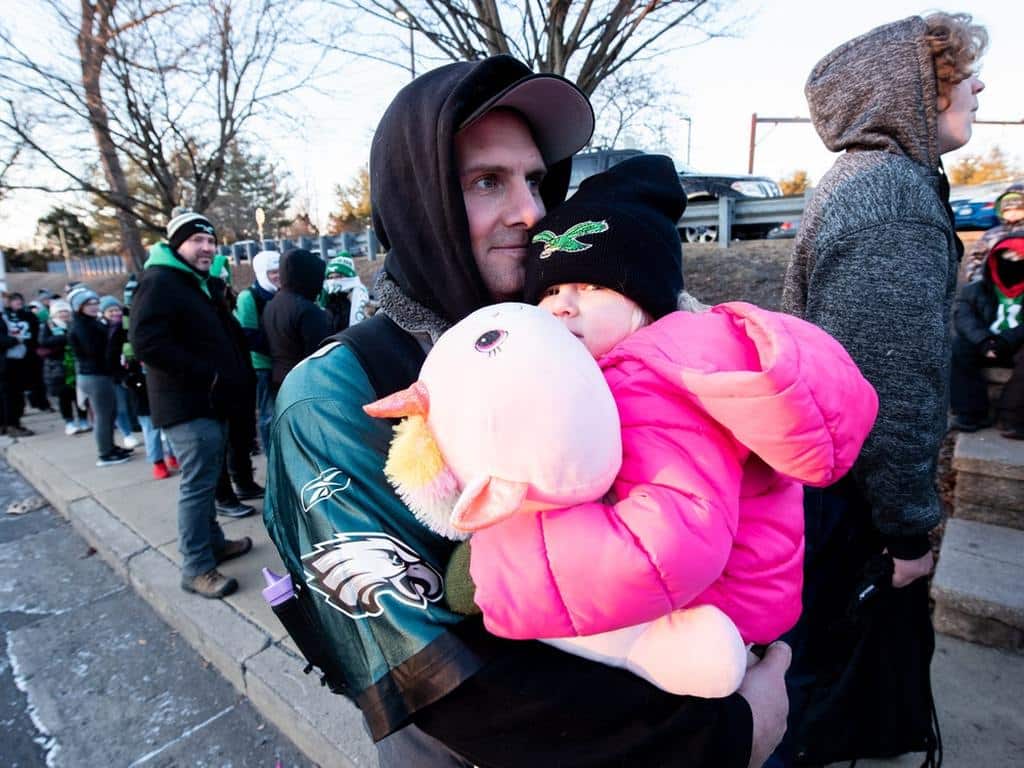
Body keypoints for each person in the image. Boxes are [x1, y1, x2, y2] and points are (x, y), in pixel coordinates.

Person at [264, 55, 789, 768]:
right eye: (487, 182)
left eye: (536, 179)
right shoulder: (333, 396)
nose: (533, 212)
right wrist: (726, 740)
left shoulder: (582, 332)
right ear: (417, 202)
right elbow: (441, 680)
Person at [414, 155, 876, 697]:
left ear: (647, 301)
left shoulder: (652, 384)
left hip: (712, 604)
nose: (561, 308)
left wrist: (498, 568)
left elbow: (671, 539)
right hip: (689, 590)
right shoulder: (632, 368)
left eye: (589, 288)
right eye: (547, 293)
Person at [778, 12, 988, 765]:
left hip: (831, 497)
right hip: (853, 512)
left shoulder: (867, 184)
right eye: (961, 75)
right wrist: (907, 534)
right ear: (912, 91)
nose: (979, 86)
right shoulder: (891, 201)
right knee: (829, 699)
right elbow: (891, 396)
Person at [131, 210, 255, 599]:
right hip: (186, 407)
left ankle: (214, 543)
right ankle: (197, 567)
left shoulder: (195, 284)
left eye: (211, 241)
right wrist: (208, 374)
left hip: (210, 404)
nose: (206, 248)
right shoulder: (160, 283)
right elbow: (147, 343)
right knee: (197, 486)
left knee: (207, 480)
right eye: (197, 241)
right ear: (176, 244)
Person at [950, 235, 1024, 438]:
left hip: (1016, 345)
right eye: (1007, 256)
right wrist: (984, 341)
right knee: (959, 348)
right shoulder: (975, 290)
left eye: (1019, 259)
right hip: (986, 342)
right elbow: (964, 317)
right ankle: (971, 413)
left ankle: (1014, 416)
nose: (1013, 263)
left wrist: (1005, 341)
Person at [68, 288, 133, 467]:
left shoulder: (92, 322)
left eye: (95, 303)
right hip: (94, 375)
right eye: (88, 304)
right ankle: (105, 452)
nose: (94, 306)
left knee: (109, 413)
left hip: (100, 374)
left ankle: (110, 446)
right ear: (79, 307)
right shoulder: (82, 326)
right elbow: (95, 351)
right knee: (104, 415)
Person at [261, 247, 330, 395]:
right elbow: (319, 355)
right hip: (304, 384)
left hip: (278, 379)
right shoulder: (307, 310)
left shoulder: (272, 304)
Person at [233, 249, 279, 455]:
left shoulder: (281, 295)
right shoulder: (248, 298)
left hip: (280, 363)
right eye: (272, 272)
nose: (277, 276)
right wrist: (277, 349)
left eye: (279, 271)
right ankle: (272, 459)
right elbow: (248, 335)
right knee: (268, 414)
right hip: (262, 365)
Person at [37, 299, 89, 436]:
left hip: (76, 363)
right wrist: (64, 338)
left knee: (79, 395)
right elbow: (43, 342)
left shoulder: (74, 324)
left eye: (65, 311)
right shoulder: (48, 325)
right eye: (60, 312)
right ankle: (69, 422)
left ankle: (83, 420)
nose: (63, 314)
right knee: (64, 397)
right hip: (57, 367)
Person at [99, 295, 140, 450]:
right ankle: (127, 434)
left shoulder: (126, 326)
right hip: (113, 375)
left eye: (117, 309)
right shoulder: (102, 329)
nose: (115, 313)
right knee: (120, 407)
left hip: (129, 371)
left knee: (134, 404)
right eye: (110, 310)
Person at [963, 183, 1024, 282]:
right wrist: (976, 278)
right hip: (995, 285)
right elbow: (976, 257)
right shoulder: (991, 234)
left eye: (1018, 209)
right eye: (1007, 210)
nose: (1013, 213)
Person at [320, 253, 370, 334]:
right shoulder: (325, 300)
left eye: (338, 277)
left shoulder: (360, 299)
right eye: (330, 278)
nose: (333, 281)